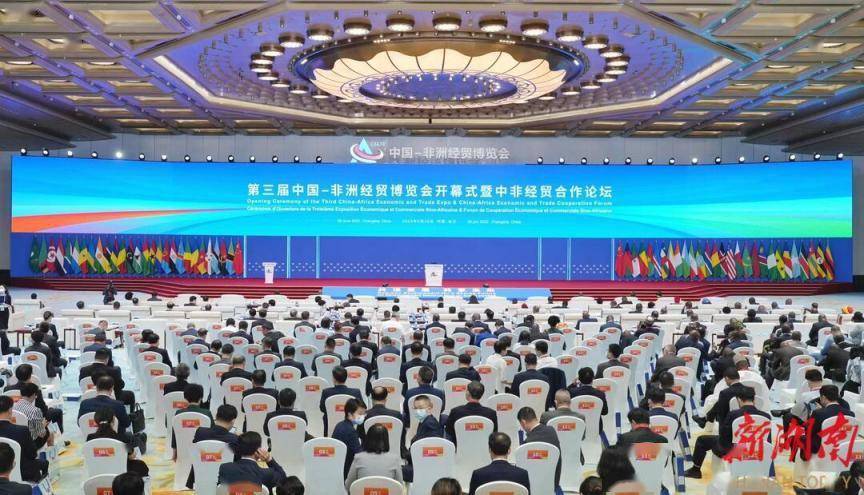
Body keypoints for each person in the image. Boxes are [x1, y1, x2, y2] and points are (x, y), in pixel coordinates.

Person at [684, 387, 769, 478]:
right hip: (756, 450)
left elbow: (724, 438)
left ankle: (695, 470)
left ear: (739, 399)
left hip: (733, 450)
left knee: (702, 440)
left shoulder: (733, 414)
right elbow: (767, 440)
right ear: (754, 399)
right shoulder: (766, 416)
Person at [87, 407, 149, 477]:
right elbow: (132, 455)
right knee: (142, 467)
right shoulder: (123, 438)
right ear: (114, 420)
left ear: (96, 421)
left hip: (97, 472)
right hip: (121, 473)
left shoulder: (89, 438)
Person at [218, 431, 286, 490]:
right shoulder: (267, 474)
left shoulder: (225, 468)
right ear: (258, 450)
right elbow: (284, 479)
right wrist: (269, 460)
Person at [0, 396, 46, 482]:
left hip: (11, 470)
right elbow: (33, 454)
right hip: (22, 471)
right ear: (10, 410)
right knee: (41, 463)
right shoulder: (22, 430)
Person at [344, 423, 402, 489]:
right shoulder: (394, 460)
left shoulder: (358, 458)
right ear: (386, 440)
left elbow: (348, 486)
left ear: (368, 439)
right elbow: (400, 487)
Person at [517, 406, 561, 491]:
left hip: (532, 487)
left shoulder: (527, 444)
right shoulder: (552, 430)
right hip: (553, 484)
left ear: (523, 422)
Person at [320, 367, 364, 435]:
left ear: (334, 379)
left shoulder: (326, 392)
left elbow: (322, 409)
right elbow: (362, 410)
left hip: (330, 429)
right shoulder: (356, 392)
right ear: (346, 378)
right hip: (352, 428)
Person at [331, 398, 365, 478]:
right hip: (346, 469)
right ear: (350, 414)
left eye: (363, 414)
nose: (362, 417)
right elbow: (359, 454)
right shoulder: (351, 431)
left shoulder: (339, 425)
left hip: (337, 465)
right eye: (360, 414)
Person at [12, 383, 51, 450]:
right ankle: (50, 452)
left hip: (18, 440)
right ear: (33, 395)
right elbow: (41, 434)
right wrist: (43, 425)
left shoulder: (13, 407)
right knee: (49, 432)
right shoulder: (35, 410)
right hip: (32, 443)